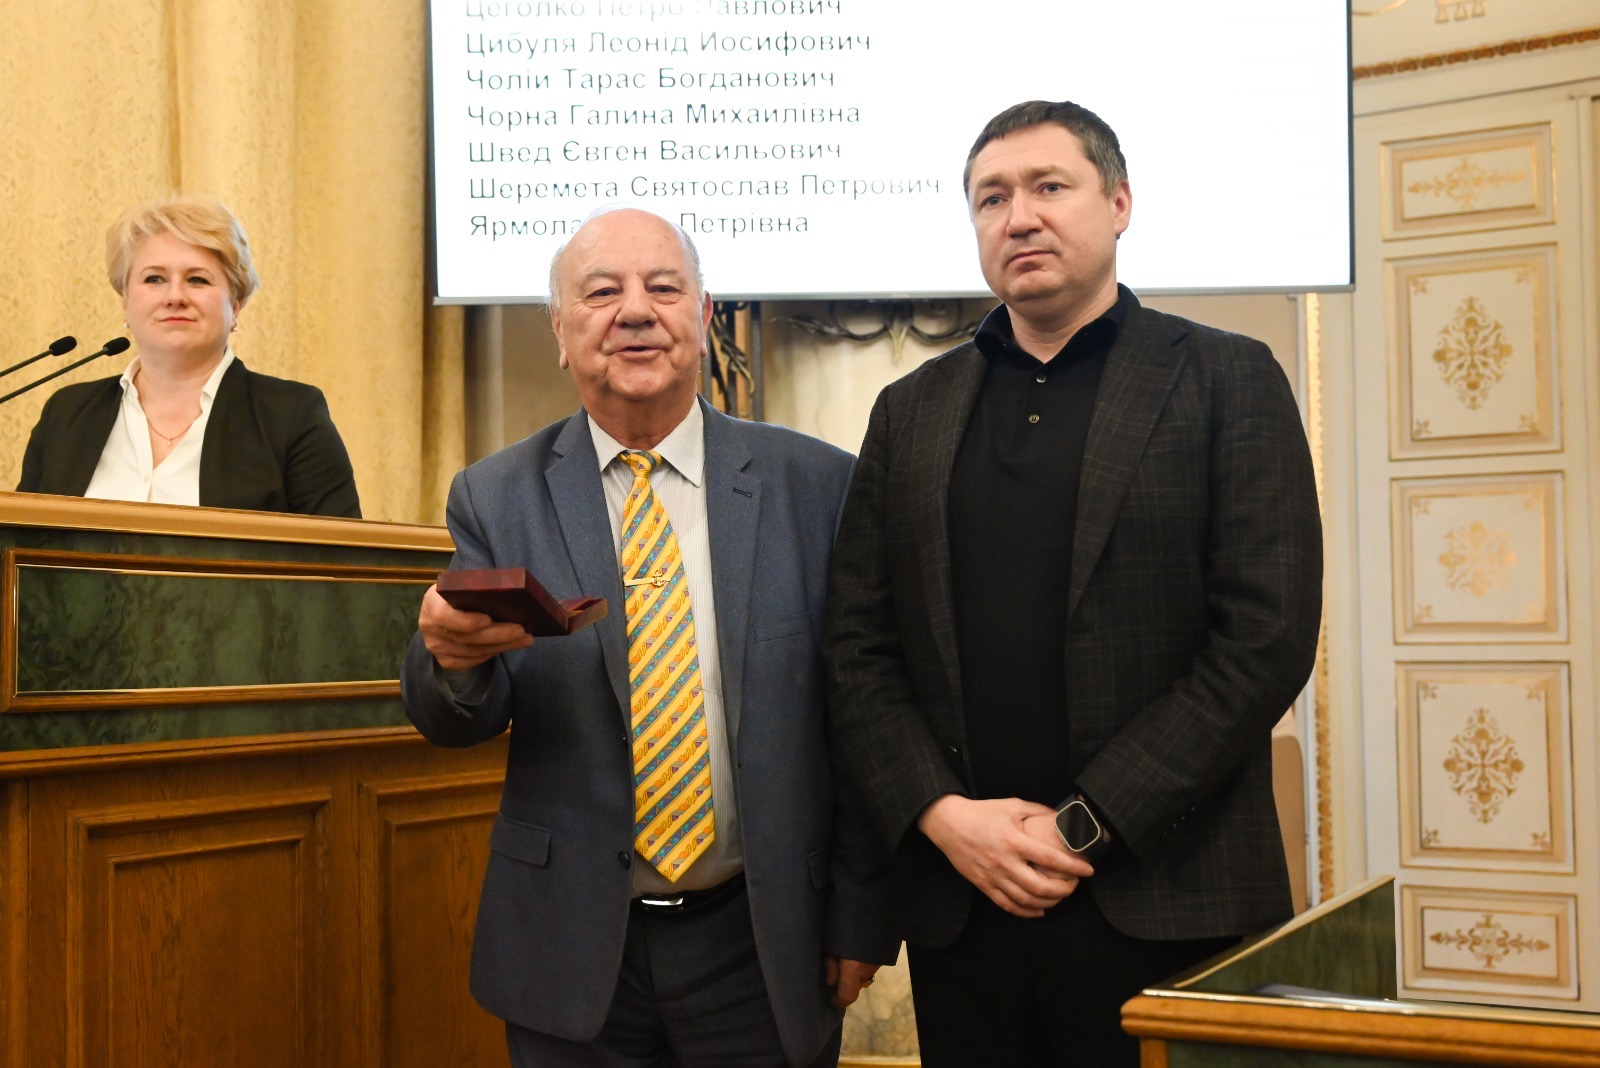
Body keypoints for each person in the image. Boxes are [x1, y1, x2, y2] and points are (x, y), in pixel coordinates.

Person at [823, 100, 1323, 1066]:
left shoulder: (1228, 378)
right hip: (968, 902)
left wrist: (1086, 825)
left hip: (1170, 899)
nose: (1019, 217)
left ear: (1120, 203)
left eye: (1050, 186)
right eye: (991, 199)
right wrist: (943, 818)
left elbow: (1266, 639)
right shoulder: (908, 411)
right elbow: (856, 649)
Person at [401, 207, 895, 1067]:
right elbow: (458, 718)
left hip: (762, 939)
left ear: (702, 318)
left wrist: (861, 913)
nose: (635, 311)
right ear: (560, 332)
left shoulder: (817, 485)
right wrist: (450, 660)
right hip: (572, 945)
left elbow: (863, 717)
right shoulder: (496, 495)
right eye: (602, 292)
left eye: (664, 288)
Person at [16, 197, 360, 517]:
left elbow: (341, 556)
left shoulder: (292, 416)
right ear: (126, 302)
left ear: (235, 305)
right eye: (154, 279)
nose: (175, 296)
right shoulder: (66, 414)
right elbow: (19, 546)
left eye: (197, 280)